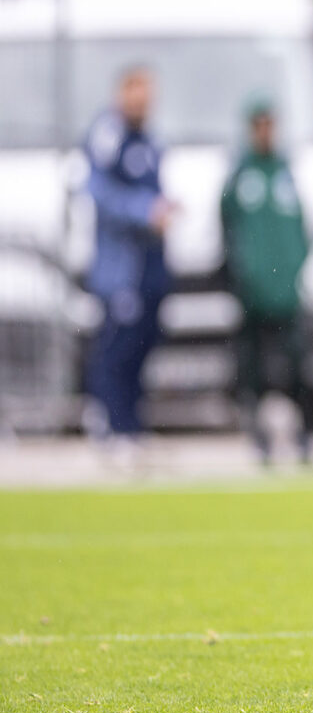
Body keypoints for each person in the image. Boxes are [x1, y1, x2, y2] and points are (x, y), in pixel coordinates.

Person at [83, 66, 176, 457]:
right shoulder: (108, 135)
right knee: (117, 346)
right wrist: (144, 210)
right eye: (135, 90)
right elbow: (98, 191)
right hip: (122, 266)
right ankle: (111, 424)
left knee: (144, 343)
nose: (143, 99)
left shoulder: (151, 141)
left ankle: (132, 426)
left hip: (152, 263)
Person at [221, 98, 313, 464]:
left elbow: (298, 227)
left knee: (297, 367)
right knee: (253, 370)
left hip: (287, 291)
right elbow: (227, 229)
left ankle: (305, 436)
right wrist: (240, 274)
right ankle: (260, 439)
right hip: (252, 293)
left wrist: (295, 265)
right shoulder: (240, 176)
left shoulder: (285, 172)